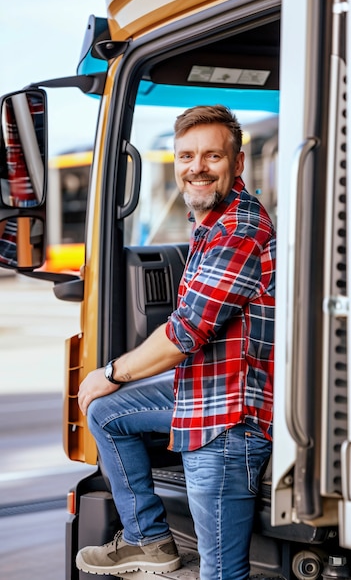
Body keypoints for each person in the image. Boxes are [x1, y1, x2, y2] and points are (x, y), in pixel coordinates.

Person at [76, 105, 275, 580]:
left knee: (219, 574)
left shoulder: (239, 231)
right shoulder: (210, 220)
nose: (197, 167)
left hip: (229, 420)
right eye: (187, 156)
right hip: (204, 389)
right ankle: (150, 540)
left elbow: (185, 333)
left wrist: (111, 371)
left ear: (238, 163)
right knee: (105, 411)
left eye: (212, 156)